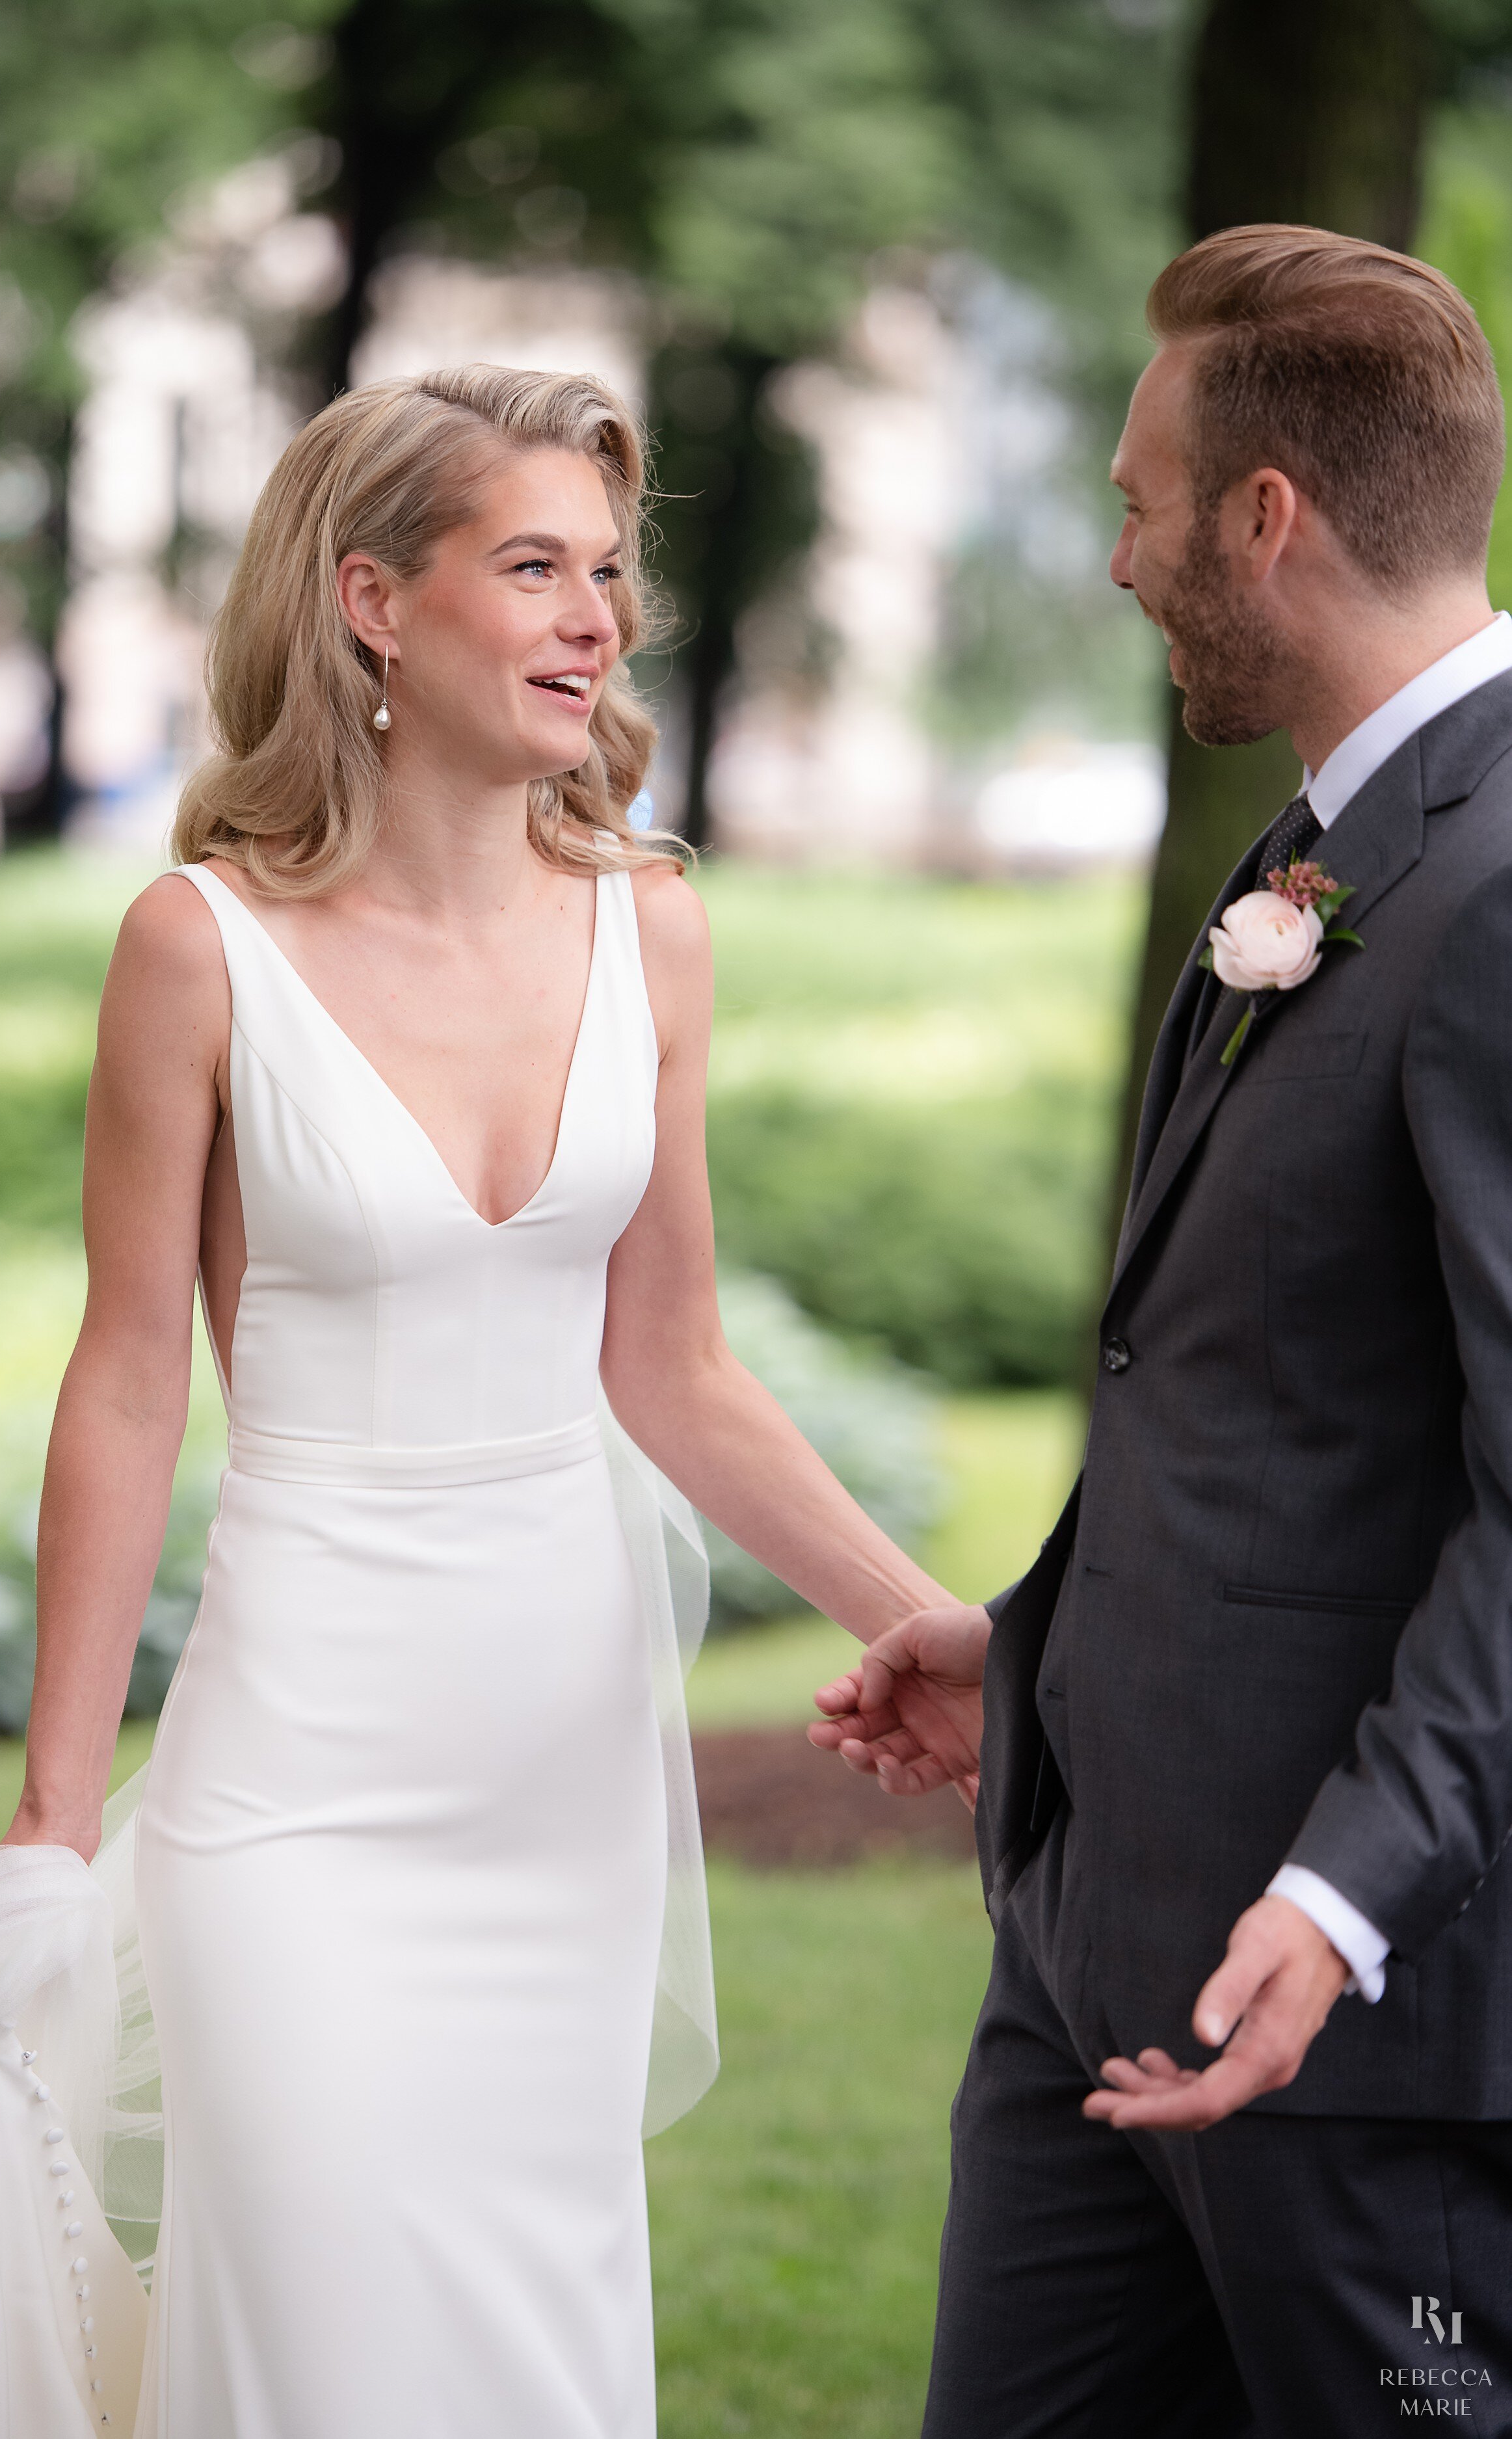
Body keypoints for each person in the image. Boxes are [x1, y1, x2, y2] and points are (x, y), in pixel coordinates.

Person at [0, 365, 977, 2439]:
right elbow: (126, 1385)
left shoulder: (651, 932)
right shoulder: (194, 948)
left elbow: (672, 1362)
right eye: (535, 567)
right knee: (311, 2323)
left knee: (519, 2344)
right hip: (296, 1760)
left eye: (609, 575)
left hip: (555, 1766)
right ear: (375, 602)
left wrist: (918, 1614)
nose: (595, 619)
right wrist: (46, 1811)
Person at [812, 226, 1512, 2433]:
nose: (1115, 556)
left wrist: (1343, 1891)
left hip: (1341, 2018)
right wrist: (1030, 1644)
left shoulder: (1498, 888)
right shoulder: (1313, 849)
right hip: (1091, 1951)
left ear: (1260, 517)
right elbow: (1259, 1394)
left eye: (1133, 501)